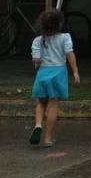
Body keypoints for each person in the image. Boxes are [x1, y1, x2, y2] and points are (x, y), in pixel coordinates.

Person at [29, 10, 80, 148]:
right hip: (58, 73)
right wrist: (75, 71)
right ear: (59, 24)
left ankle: (38, 124)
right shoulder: (65, 37)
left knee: (40, 102)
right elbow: (70, 54)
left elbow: (36, 61)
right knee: (53, 104)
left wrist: (38, 63)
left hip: (42, 73)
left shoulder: (37, 40)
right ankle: (48, 138)